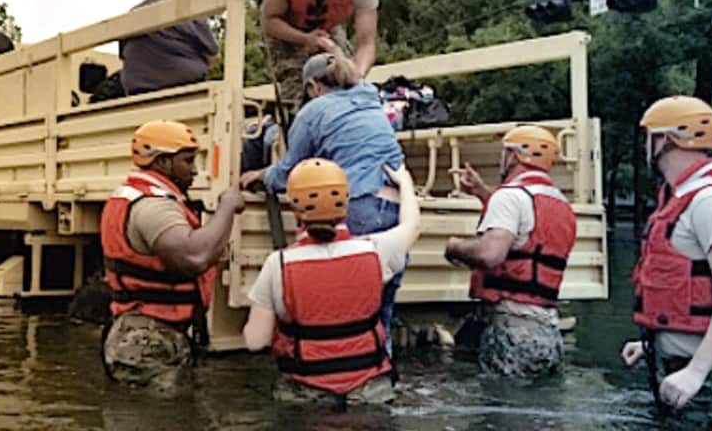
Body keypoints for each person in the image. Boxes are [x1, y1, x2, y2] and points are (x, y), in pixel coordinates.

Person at [239, 52, 406, 347]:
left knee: (342, 309)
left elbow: (289, 173)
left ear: (314, 87)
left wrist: (258, 176)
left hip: (359, 203)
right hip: (396, 205)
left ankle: (331, 375)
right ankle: (377, 373)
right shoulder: (371, 98)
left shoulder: (313, 111)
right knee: (380, 315)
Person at [620, 96, 712, 429]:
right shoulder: (684, 198)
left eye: (649, 135)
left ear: (666, 139)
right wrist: (653, 341)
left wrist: (697, 371)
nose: (646, 144)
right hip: (688, 371)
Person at [242, 158, 421, 405]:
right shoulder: (376, 250)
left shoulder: (278, 264)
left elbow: (255, 341)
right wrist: (405, 183)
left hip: (308, 395)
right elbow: (412, 225)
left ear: (295, 210)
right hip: (370, 392)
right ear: (346, 204)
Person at [100, 119, 245, 388]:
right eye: (188, 161)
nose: (194, 170)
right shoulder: (153, 207)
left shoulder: (138, 196)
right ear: (162, 162)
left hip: (145, 330)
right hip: (146, 338)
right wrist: (227, 207)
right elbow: (195, 257)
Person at [444, 125, 577, 379]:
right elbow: (527, 233)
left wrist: (454, 247)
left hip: (512, 330)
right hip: (547, 330)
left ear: (515, 155)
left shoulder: (510, 197)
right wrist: (484, 194)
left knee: (505, 412)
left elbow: (490, 254)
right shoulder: (560, 203)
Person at [119, 0, 219, 95]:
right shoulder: (185, 12)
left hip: (136, 91)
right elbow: (213, 54)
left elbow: (123, 54)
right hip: (180, 89)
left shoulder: (133, 14)